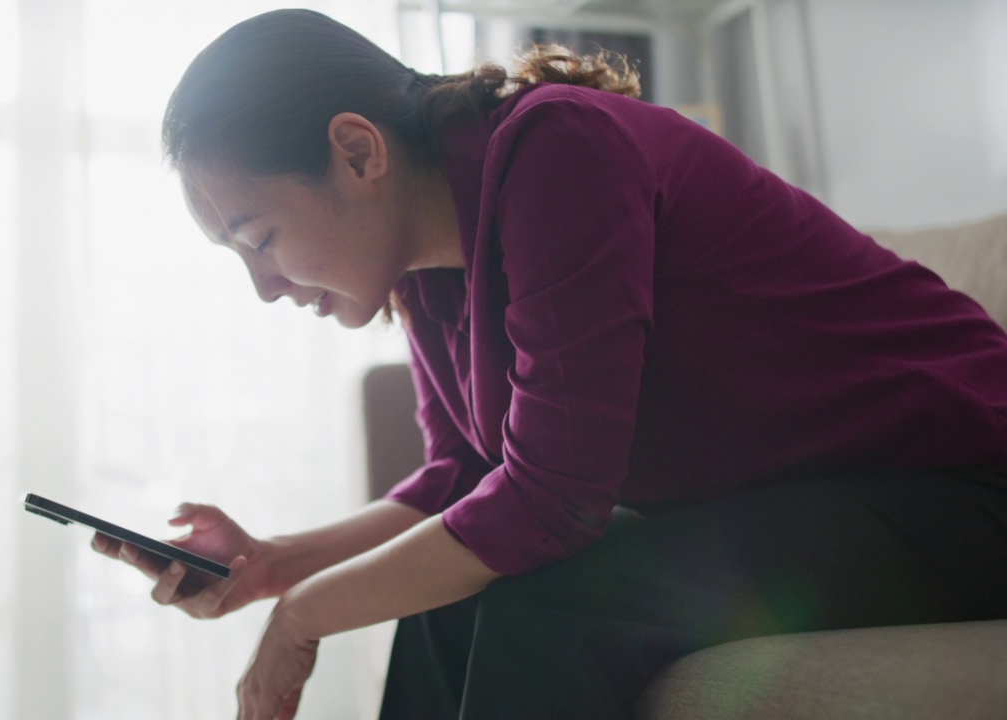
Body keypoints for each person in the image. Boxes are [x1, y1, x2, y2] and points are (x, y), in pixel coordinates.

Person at [90, 8, 1007, 719]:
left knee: (549, 607)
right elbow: (460, 479)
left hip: (961, 488)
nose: (264, 286)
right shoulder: (430, 268)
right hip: (816, 500)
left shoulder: (560, 148)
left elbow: (550, 501)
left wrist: (305, 617)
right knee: (442, 605)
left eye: (260, 238)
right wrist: (271, 566)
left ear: (357, 150)